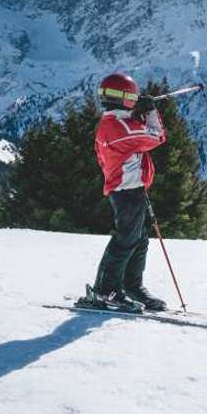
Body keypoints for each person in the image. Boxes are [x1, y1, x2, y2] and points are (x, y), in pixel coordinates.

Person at [78, 73, 168, 313]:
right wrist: (150, 112)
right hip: (126, 190)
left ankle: (131, 286)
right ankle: (106, 291)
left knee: (138, 239)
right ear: (127, 97)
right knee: (126, 239)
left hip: (130, 188)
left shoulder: (114, 123)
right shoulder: (121, 127)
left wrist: (138, 114)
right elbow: (157, 136)